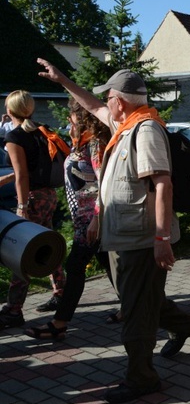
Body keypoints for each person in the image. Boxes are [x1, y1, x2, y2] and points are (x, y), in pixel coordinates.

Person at [37, 59, 190, 404]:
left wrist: (161, 239)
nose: (104, 103)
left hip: (141, 239)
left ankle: (142, 378)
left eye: (108, 97)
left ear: (120, 101)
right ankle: (184, 325)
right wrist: (62, 79)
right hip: (121, 236)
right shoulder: (125, 124)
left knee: (136, 311)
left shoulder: (146, 130)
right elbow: (92, 105)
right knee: (141, 299)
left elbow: (162, 184)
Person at [25, 98, 115, 340]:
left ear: (82, 119)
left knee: (75, 266)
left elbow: (104, 185)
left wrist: (96, 219)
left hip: (91, 221)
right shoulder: (80, 144)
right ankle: (135, 306)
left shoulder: (95, 145)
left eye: (71, 117)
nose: (68, 121)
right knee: (110, 266)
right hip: (84, 221)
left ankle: (60, 322)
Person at [0, 90, 67, 330]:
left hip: (32, 198)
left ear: (10, 111)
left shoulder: (15, 137)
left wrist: (22, 206)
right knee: (46, 243)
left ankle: (13, 310)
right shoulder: (42, 130)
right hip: (48, 195)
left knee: (23, 252)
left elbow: (23, 175)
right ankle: (61, 291)